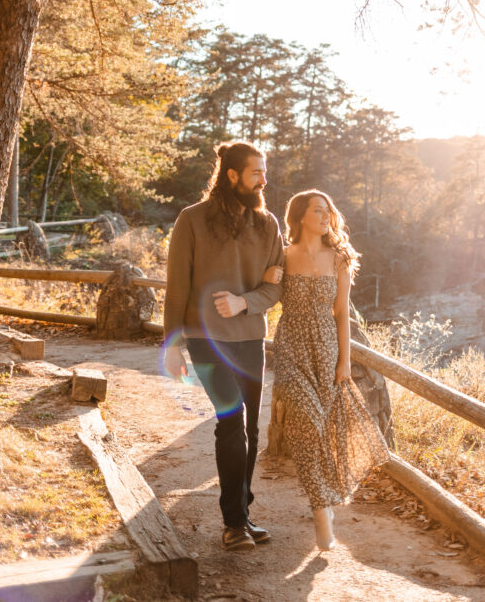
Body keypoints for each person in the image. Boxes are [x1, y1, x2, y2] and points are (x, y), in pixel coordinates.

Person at [163, 141, 284, 552]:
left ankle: (243, 513)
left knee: (251, 427)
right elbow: (178, 285)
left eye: (264, 172)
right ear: (232, 176)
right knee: (231, 421)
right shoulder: (192, 220)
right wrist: (171, 344)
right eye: (256, 172)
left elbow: (275, 286)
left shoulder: (268, 224)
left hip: (251, 337)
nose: (264, 179)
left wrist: (245, 302)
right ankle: (233, 523)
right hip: (205, 339)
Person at [266, 190, 390, 550]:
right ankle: (321, 509)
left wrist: (345, 361)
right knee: (305, 422)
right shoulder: (283, 255)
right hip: (290, 347)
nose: (326, 216)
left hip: (326, 349)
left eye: (328, 211)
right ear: (300, 216)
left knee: (325, 427)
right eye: (318, 211)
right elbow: (265, 294)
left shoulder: (339, 258)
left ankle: (325, 495)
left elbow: (341, 315)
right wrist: (268, 276)